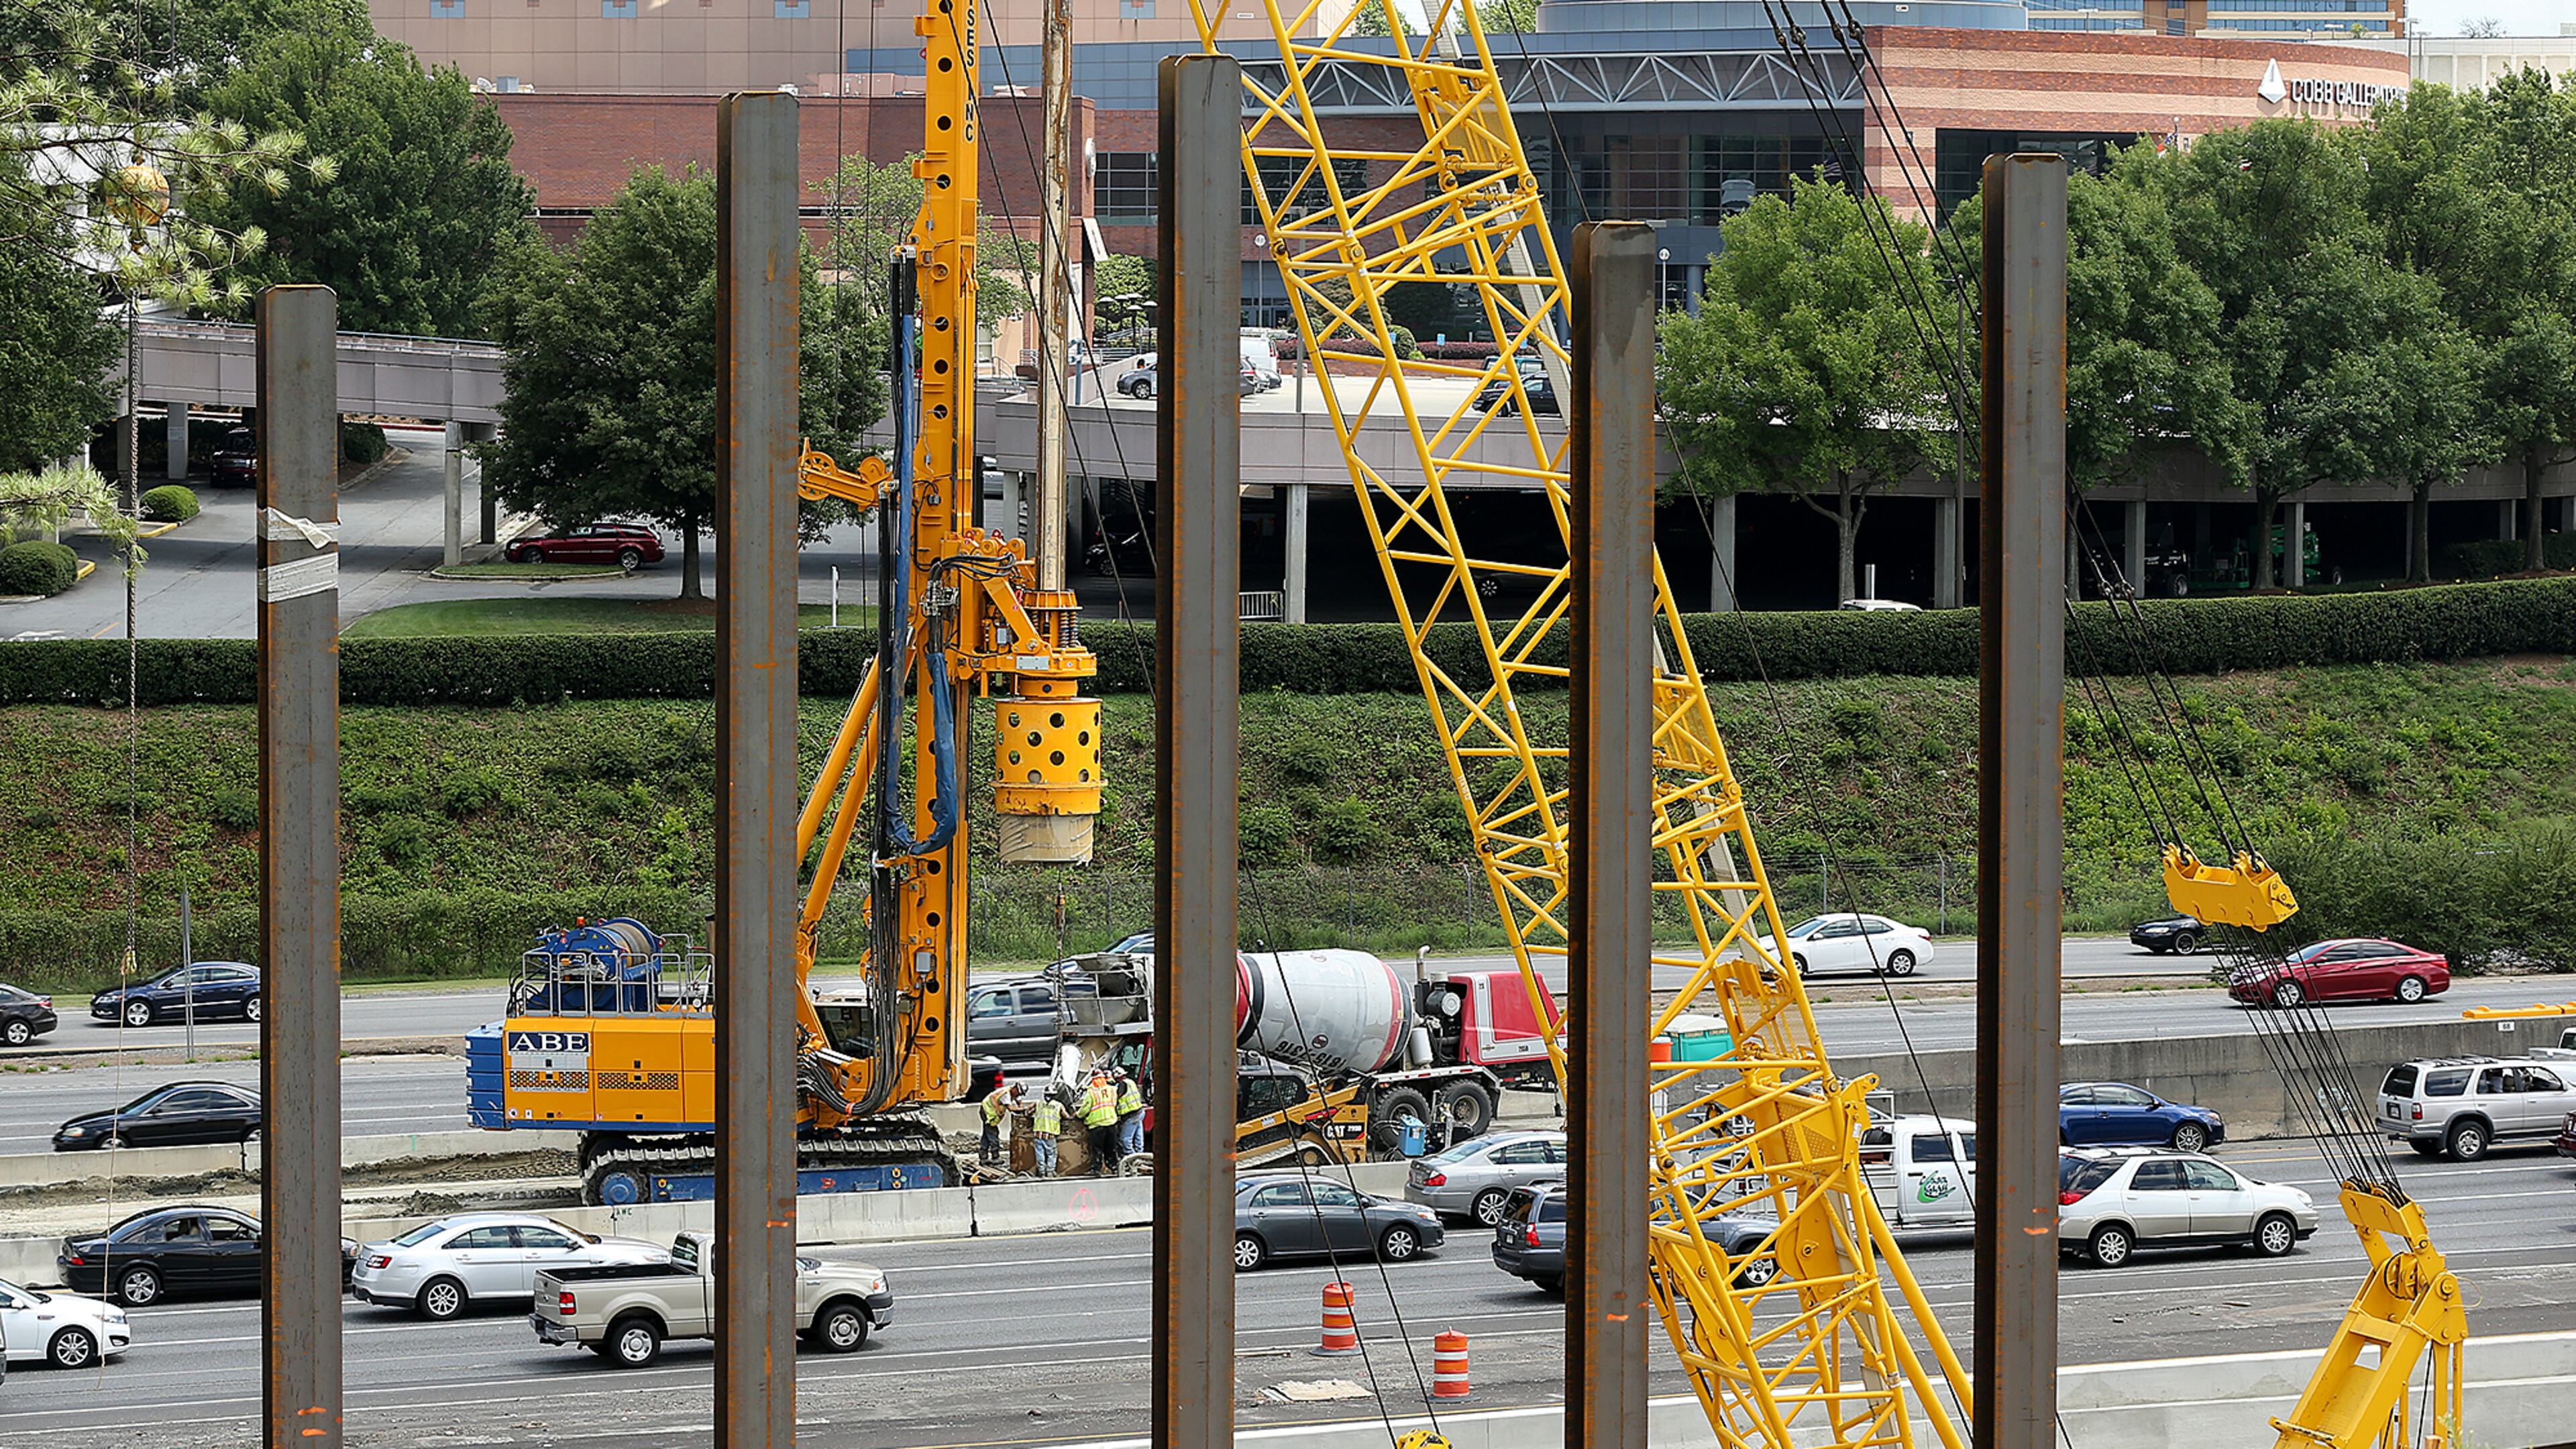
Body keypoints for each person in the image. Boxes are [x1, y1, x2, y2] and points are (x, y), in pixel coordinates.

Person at [1080, 1071, 1121, 1172]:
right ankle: (1114, 1167)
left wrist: (1078, 1114)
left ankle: (1096, 1169)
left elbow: (1085, 1109)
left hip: (1097, 1125)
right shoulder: (1112, 1090)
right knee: (1111, 1148)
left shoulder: (1092, 1093)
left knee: (1097, 1149)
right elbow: (1114, 1103)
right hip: (1111, 1123)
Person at [1027, 1089, 1065, 1178]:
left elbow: (1028, 1111)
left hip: (1038, 1133)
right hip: (1050, 1134)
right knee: (1051, 1154)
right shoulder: (1058, 1105)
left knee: (1040, 1154)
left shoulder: (1038, 1103)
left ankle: (1042, 1172)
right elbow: (1066, 1116)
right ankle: (1050, 1172)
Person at [979, 1082, 1019, 1166]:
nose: (1018, 1095)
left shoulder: (1011, 1091)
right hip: (988, 1112)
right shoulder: (1006, 1095)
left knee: (986, 1135)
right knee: (993, 1134)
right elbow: (1011, 1108)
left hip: (987, 1110)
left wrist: (1020, 1105)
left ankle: (983, 1157)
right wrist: (1023, 1109)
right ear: (1015, 1089)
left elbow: (1019, 1101)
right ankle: (995, 1157)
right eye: (1019, 1093)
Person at [1114, 1069, 1147, 1161]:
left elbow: (1116, 1097)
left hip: (1131, 1115)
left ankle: (1135, 1161)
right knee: (1138, 1140)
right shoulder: (1130, 1082)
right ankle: (1142, 1158)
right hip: (1139, 1112)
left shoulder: (1121, 1085)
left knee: (1125, 1140)